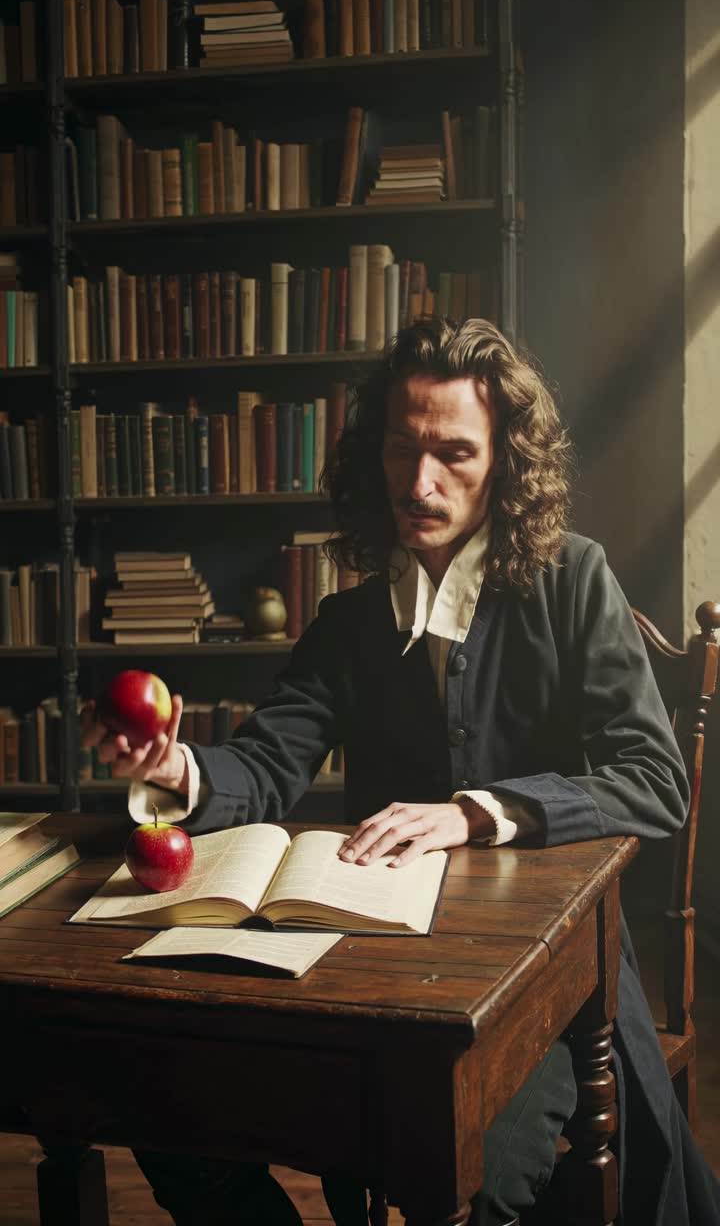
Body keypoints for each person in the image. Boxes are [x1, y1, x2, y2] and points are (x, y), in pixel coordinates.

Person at [82, 317, 720, 1226]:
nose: (420, 484)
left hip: (551, 978)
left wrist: (475, 811)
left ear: (505, 461)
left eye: (454, 454)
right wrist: (176, 766)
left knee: (477, 1176)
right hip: (380, 966)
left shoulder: (575, 579)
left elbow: (655, 778)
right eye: (400, 450)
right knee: (178, 1116)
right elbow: (264, 766)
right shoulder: (349, 623)